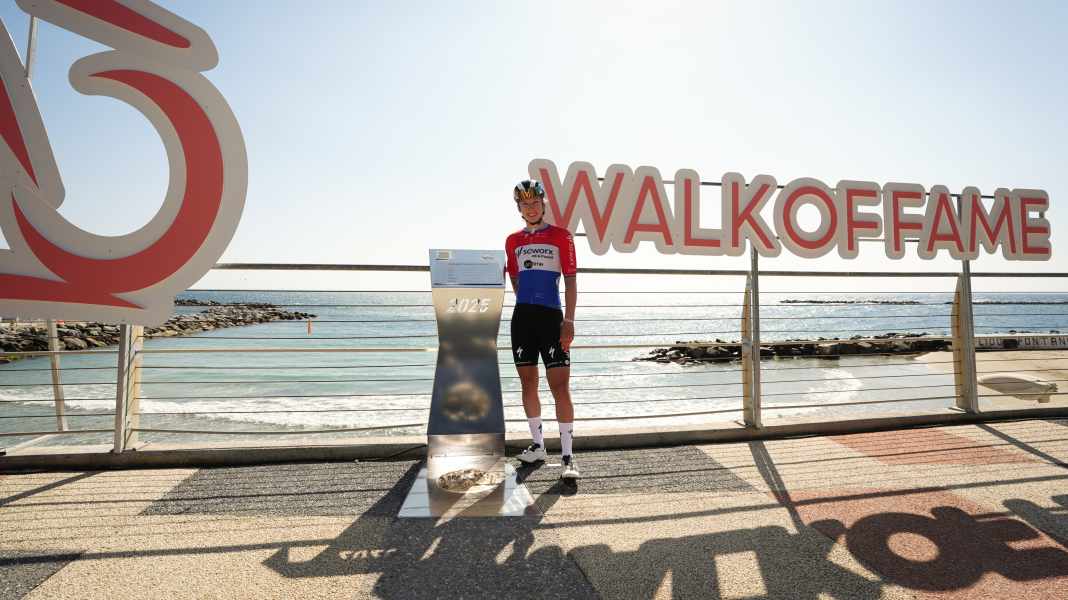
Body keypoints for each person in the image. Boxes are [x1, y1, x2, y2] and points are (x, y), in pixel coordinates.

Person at [506, 179, 579, 480]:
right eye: (525, 204)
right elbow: (514, 277)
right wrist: (526, 302)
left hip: (552, 318)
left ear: (543, 204)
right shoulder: (512, 240)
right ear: (519, 208)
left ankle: (568, 458)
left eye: (535, 202)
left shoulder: (561, 236)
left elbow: (571, 280)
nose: (531, 208)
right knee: (528, 385)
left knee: (560, 387)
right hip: (523, 318)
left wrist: (569, 321)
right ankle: (538, 446)